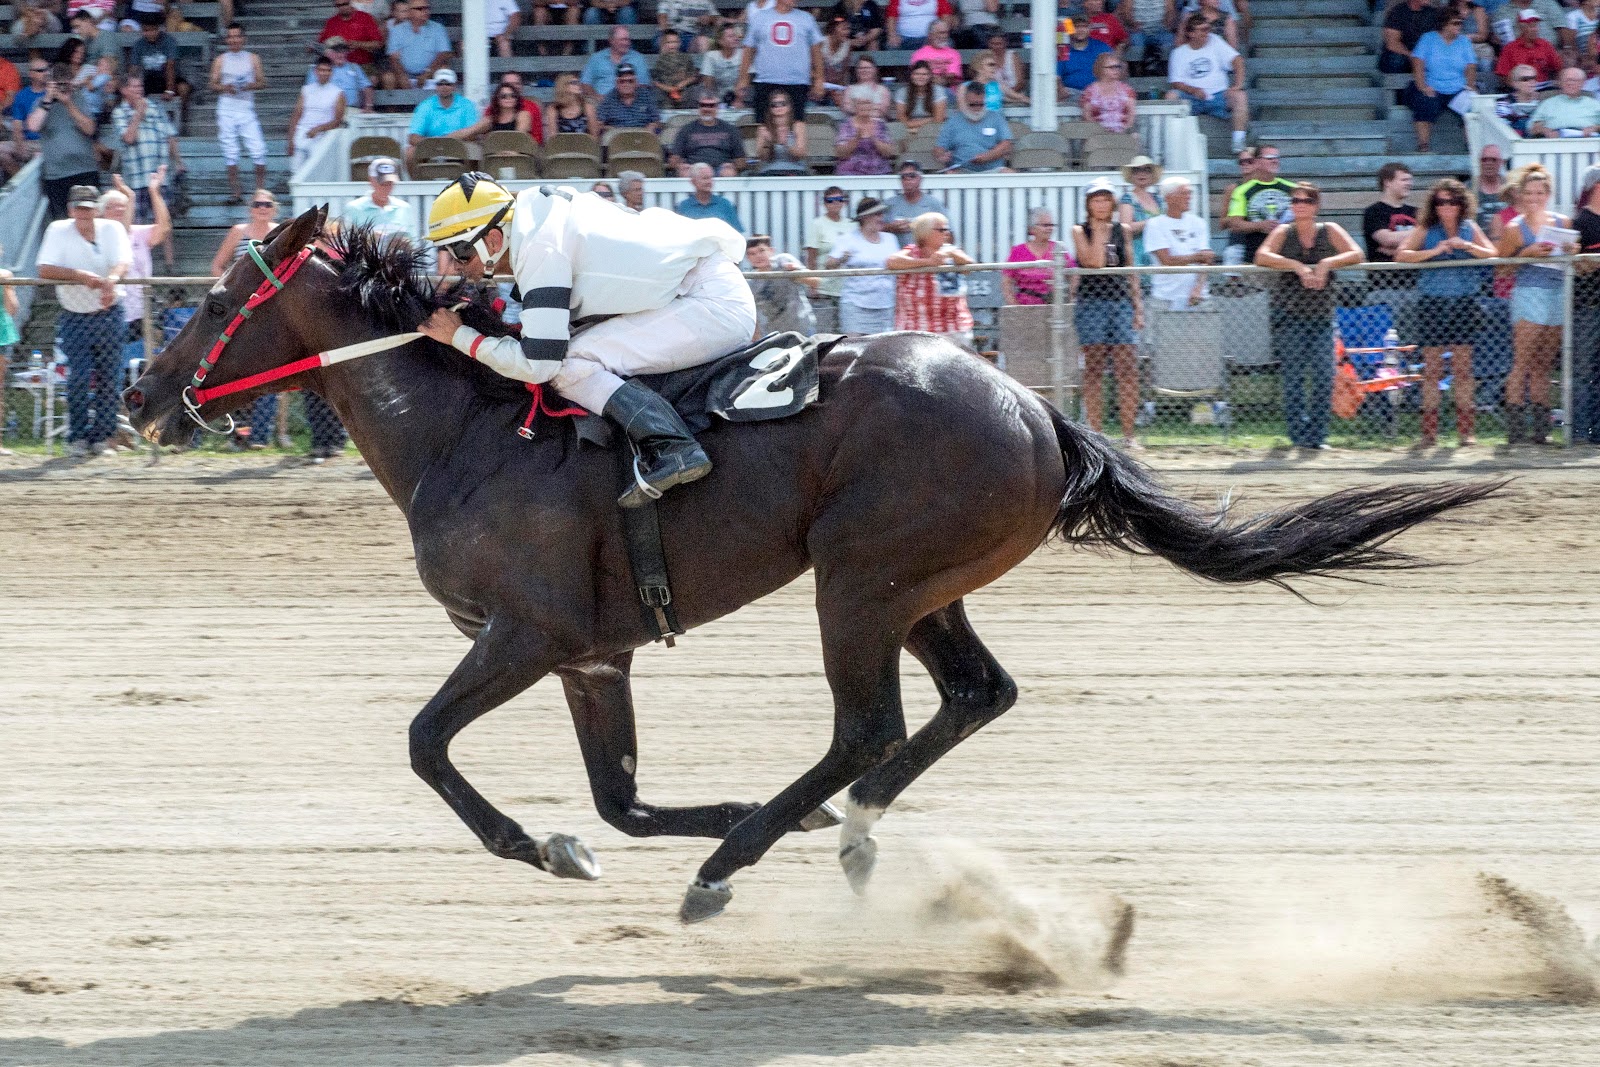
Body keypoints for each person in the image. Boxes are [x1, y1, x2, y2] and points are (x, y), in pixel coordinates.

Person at [417, 173, 756, 507]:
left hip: (710, 304)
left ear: (492, 240)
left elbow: (540, 365)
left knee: (569, 368)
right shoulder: (534, 211)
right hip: (702, 287)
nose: (457, 266)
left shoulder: (539, 248)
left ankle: (673, 446)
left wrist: (460, 337)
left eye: (461, 252)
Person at [1254, 182, 1364, 451]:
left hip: (1322, 316)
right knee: (1293, 377)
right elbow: (1261, 256)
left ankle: (1317, 436)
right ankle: (1298, 435)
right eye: (1296, 201)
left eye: (1307, 201)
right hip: (1290, 315)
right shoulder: (1284, 231)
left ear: (1316, 205)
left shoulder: (1330, 230)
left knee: (1325, 376)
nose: (1300, 205)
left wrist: (1327, 263)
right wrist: (1296, 266)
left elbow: (1357, 254)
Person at [1395, 178, 1495, 446]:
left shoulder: (1469, 228)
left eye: (1452, 201)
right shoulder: (1427, 228)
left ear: (1462, 204)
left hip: (1465, 301)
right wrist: (1435, 250)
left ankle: (1466, 431)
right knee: (1432, 370)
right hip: (1433, 301)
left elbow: (1492, 253)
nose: (1446, 207)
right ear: (1434, 205)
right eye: (1441, 202)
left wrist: (1468, 246)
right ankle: (1429, 433)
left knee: (1463, 369)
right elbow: (1402, 254)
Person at [36, 183, 131, 458]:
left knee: (109, 379)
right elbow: (44, 268)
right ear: (70, 209)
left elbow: (122, 261)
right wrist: (81, 276)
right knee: (77, 378)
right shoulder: (57, 231)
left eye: (89, 208)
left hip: (110, 313)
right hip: (75, 316)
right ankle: (77, 436)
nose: (84, 213)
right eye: (79, 208)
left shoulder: (112, 229)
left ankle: (103, 437)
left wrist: (110, 281)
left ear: (96, 210)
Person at [1494, 162, 1574, 445]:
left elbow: (1571, 256)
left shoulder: (1562, 223)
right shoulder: (1514, 228)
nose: (1534, 198)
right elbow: (1501, 269)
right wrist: (1526, 252)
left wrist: (1570, 250)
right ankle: (1515, 431)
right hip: (1529, 292)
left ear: (1547, 194)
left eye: (1539, 193)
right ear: (1521, 195)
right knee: (1523, 362)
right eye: (1529, 193)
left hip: (1557, 293)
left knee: (1543, 364)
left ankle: (1541, 431)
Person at [1072, 180, 1144, 448]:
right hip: (1092, 303)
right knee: (1094, 368)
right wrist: (1100, 232)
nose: (1102, 205)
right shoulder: (1080, 230)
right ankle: (1096, 434)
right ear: (1088, 204)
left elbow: (1130, 268)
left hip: (1120, 301)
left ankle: (1128, 435)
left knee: (1127, 367)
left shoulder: (1122, 230)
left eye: (1106, 199)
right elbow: (1093, 262)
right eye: (1096, 200)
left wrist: (1138, 306)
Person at [111, 72, 183, 272]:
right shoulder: (119, 112)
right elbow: (128, 138)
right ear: (124, 90)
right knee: (138, 225)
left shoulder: (157, 108)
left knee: (164, 221)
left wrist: (178, 162)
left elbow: (170, 136)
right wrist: (138, 114)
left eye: (140, 86)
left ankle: (170, 266)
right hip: (135, 177)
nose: (139, 90)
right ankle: (141, 267)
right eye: (134, 87)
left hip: (159, 177)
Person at [100, 168, 168, 356]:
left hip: (141, 310)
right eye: (113, 206)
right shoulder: (101, 234)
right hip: (112, 310)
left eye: (124, 205)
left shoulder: (138, 232)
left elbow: (164, 228)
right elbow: (120, 231)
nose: (120, 209)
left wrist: (154, 192)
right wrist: (130, 197)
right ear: (102, 212)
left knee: (144, 361)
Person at [886, 212, 975, 347]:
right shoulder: (911, 251)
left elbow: (969, 267)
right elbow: (892, 261)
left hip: (953, 327)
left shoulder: (951, 251)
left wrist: (952, 254)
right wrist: (927, 262)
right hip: (916, 328)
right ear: (925, 233)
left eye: (947, 229)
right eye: (941, 230)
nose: (946, 233)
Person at [1166, 13, 1248, 153]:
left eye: (1208, 29)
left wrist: (1237, 85)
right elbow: (1176, 82)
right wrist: (1194, 91)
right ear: (1191, 33)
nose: (1207, 32)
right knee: (1171, 96)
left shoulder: (1215, 40)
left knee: (1240, 96)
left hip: (1219, 96)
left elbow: (1237, 60)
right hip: (1192, 99)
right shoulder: (1178, 53)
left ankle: (1238, 143)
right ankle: (1175, 144)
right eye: (1203, 30)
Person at [28, 62, 100, 220]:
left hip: (84, 171)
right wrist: (48, 98)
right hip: (56, 175)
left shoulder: (79, 98)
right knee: (61, 223)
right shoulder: (40, 103)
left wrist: (68, 103)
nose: (63, 87)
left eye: (66, 83)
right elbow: (33, 126)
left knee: (89, 220)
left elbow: (90, 129)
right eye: (59, 84)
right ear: (50, 83)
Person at [737, 0, 825, 124]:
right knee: (763, 126)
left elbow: (816, 51)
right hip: (766, 81)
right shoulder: (759, 17)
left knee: (796, 127)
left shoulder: (807, 19)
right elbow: (748, 50)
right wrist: (743, 78)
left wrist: (819, 79)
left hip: (797, 82)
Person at [210, 25, 267, 205]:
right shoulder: (220, 60)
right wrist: (225, 88)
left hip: (246, 108)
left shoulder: (253, 58)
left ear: (243, 38)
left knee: (258, 149)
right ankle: (236, 192)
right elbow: (212, 84)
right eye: (230, 37)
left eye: (237, 36)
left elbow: (262, 82)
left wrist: (250, 85)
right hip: (226, 108)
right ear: (226, 39)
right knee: (230, 151)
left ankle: (260, 192)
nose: (234, 40)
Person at [825, 196, 897, 333]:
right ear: (865, 217)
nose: (882, 218)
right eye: (877, 214)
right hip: (855, 304)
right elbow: (829, 264)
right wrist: (842, 259)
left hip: (886, 304)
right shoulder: (847, 239)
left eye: (882, 213)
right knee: (854, 347)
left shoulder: (891, 239)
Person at [1142, 174, 1215, 310]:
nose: (1189, 197)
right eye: (1183, 193)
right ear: (1169, 198)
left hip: (1198, 297)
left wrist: (1198, 289)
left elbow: (1207, 259)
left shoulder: (1198, 223)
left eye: (1189, 193)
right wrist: (1197, 257)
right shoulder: (1155, 224)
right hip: (1166, 298)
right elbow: (1167, 260)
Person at [1408, 8, 1475, 152]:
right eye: (1455, 23)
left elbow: (1471, 65)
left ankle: (1471, 147)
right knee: (1424, 102)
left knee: (1472, 107)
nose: (1459, 26)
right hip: (1433, 86)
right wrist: (1423, 86)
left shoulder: (1464, 41)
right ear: (1444, 24)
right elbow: (1417, 62)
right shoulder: (1428, 38)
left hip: (1458, 87)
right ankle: (1423, 145)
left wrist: (1469, 86)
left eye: (1461, 23)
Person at [1225, 142, 1293, 264]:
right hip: (1256, 257)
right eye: (1269, 158)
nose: (1275, 161)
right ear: (1257, 162)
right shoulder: (1242, 191)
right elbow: (1235, 224)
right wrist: (1261, 225)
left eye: (1277, 158)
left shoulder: (1293, 188)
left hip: (1288, 257)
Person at [1571, 162, 1600, 445]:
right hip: (1587, 307)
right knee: (1582, 372)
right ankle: (1579, 430)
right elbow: (1575, 266)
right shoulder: (1580, 223)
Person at [746, 233, 817, 335]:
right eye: (752, 254)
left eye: (761, 250)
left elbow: (815, 282)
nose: (758, 256)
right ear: (748, 258)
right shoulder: (751, 283)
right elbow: (753, 316)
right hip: (775, 335)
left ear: (771, 250)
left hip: (803, 327)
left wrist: (796, 273)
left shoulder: (784, 261)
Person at [934, 81, 1013, 172]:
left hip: (993, 169)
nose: (977, 108)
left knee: (1009, 173)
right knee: (949, 174)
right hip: (962, 170)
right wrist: (942, 155)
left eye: (981, 104)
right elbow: (939, 147)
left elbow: (1006, 145)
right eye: (973, 104)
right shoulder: (953, 121)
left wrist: (987, 156)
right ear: (965, 101)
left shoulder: (996, 118)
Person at [405, 68, 475, 165]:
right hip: (431, 147)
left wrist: (447, 143)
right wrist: (435, 145)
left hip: (459, 147)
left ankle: (470, 180)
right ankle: (418, 180)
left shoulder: (467, 105)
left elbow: (472, 135)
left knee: (474, 149)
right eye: (440, 84)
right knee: (410, 152)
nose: (444, 87)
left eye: (448, 84)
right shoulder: (425, 105)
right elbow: (413, 137)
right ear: (435, 86)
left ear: (454, 86)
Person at [288, 57, 346, 173]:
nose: (324, 73)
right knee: (295, 173)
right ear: (315, 71)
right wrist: (290, 140)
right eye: (321, 70)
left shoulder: (338, 93)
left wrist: (319, 129)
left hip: (322, 138)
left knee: (315, 172)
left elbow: (337, 121)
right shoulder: (306, 90)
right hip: (301, 134)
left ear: (331, 72)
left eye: (327, 70)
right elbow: (296, 115)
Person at [1362, 162, 1417, 282]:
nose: (1409, 184)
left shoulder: (1416, 212)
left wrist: (1396, 247)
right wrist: (1420, 233)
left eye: (1410, 180)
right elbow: (1388, 239)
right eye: (1403, 180)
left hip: (1415, 282)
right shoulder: (1373, 211)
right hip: (1383, 283)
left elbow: (1424, 243)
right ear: (1387, 182)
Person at [130, 20, 190, 126]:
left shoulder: (169, 41)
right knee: (135, 90)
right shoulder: (138, 45)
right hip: (150, 79)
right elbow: (134, 68)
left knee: (183, 88)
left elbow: (170, 66)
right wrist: (131, 86)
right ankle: (140, 122)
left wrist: (170, 89)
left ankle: (181, 119)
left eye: (153, 30)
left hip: (169, 78)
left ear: (158, 29)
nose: (149, 33)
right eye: (146, 31)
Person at [1002, 207, 1067, 306]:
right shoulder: (1018, 251)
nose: (1050, 228)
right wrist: (1015, 306)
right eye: (1045, 225)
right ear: (1032, 228)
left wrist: (1068, 298)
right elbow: (1006, 282)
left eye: (1051, 225)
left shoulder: (1059, 249)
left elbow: (1073, 274)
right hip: (1025, 307)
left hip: (1054, 306)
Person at [805, 186, 854, 313]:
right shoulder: (817, 224)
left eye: (839, 199)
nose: (835, 203)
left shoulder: (852, 224)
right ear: (824, 203)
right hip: (825, 286)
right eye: (830, 200)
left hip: (848, 286)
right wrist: (812, 285)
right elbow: (811, 257)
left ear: (844, 202)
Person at [670, 92, 744, 175]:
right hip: (694, 169)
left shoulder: (730, 129)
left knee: (729, 172)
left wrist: (732, 165)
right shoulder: (686, 129)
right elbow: (674, 160)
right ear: (698, 107)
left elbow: (741, 161)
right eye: (703, 105)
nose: (707, 109)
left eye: (711, 106)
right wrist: (680, 165)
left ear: (717, 108)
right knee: (685, 172)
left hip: (721, 168)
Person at [384, 0, 452, 89]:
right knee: (388, 78)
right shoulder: (397, 30)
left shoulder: (438, 28)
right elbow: (393, 58)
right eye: (420, 9)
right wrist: (402, 75)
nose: (425, 11)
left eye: (427, 8)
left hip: (431, 72)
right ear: (410, 12)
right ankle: (397, 103)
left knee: (445, 70)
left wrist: (428, 73)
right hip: (405, 74)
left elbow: (443, 54)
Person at [340, 157, 418, 234]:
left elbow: (413, 241)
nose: (386, 188)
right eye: (382, 184)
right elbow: (346, 242)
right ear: (371, 181)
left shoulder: (404, 208)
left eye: (390, 184)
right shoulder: (354, 208)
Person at [0, 60, 48, 178]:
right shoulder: (22, 95)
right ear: (31, 74)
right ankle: (21, 180)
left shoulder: (53, 93)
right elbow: (17, 125)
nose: (46, 73)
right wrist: (19, 145)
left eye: (47, 69)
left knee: (39, 156)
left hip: (48, 142)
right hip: (28, 142)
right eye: (41, 70)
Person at [884, 160, 945, 247]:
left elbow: (949, 236)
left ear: (920, 179)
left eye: (912, 176)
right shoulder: (889, 204)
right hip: (898, 256)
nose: (908, 179)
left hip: (927, 256)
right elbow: (876, 231)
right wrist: (891, 228)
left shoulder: (933, 204)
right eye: (903, 176)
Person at [1494, 9, 1561, 86]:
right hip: (1520, 91)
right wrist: (1519, 87)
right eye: (1531, 26)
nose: (1535, 29)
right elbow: (1503, 76)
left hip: (1543, 89)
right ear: (1521, 28)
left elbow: (1558, 68)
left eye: (1536, 26)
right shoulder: (1510, 48)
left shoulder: (1545, 45)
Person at [1528, 66, 1600, 136]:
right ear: (1560, 83)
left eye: (1574, 80)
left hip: (1587, 141)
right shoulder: (1547, 103)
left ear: (1583, 83)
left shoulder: (1594, 104)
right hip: (1555, 141)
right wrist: (1544, 130)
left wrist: (1595, 128)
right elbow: (1531, 128)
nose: (1570, 83)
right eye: (1567, 80)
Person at [581, 25, 650, 98]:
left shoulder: (637, 58)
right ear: (611, 41)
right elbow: (585, 84)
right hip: (599, 103)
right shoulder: (596, 58)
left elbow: (644, 85)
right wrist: (597, 97)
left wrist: (624, 98)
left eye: (628, 40)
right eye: (622, 40)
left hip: (629, 102)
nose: (626, 43)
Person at [595, 63, 662, 137]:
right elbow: (600, 123)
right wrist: (612, 130)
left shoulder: (647, 95)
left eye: (630, 81)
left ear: (636, 82)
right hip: (618, 139)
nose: (626, 84)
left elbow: (656, 120)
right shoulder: (608, 99)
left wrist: (650, 128)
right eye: (622, 81)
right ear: (616, 83)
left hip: (644, 137)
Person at [1118, 155, 1162, 266]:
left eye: (1147, 170)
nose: (1142, 174)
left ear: (1152, 175)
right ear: (1132, 175)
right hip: (1138, 254)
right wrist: (1150, 222)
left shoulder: (1158, 199)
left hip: (1159, 252)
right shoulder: (1128, 199)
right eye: (1137, 170)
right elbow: (1125, 227)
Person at [676, 161, 743, 231]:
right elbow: (679, 234)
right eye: (705, 178)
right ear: (693, 182)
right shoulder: (684, 206)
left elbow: (737, 233)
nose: (709, 182)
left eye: (711, 178)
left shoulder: (725, 204)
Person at [834, 99, 895, 175]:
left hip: (879, 170)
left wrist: (874, 138)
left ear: (872, 107)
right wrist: (856, 138)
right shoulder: (846, 125)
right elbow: (841, 154)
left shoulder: (880, 124)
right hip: (850, 171)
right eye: (861, 104)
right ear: (855, 107)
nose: (864, 107)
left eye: (867, 104)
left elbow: (888, 153)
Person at [1381, 0, 1441, 75]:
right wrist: (1414, 56)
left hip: (1423, 55)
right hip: (1403, 54)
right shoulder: (1397, 12)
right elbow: (1392, 44)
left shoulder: (1433, 13)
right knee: (1396, 58)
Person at [1082, 52, 1137, 133]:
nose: (1116, 70)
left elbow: (1131, 115)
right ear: (1100, 69)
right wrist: (1101, 132)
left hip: (1123, 135)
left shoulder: (1127, 90)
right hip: (1097, 136)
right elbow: (1087, 116)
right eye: (1111, 67)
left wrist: (1124, 131)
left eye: (1117, 67)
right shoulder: (1089, 91)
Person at [320, 0, 384, 67]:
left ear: (351, 3)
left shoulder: (365, 17)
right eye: (339, 5)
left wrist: (358, 44)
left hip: (363, 65)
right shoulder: (331, 22)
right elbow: (322, 44)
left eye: (345, 4)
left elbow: (378, 44)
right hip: (337, 67)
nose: (342, 7)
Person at [1057, 18, 1112, 95]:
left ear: (1090, 29)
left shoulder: (1101, 48)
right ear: (1070, 30)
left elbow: (1113, 70)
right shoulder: (1063, 50)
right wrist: (1061, 90)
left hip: (1098, 93)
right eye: (1076, 27)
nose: (1080, 30)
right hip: (1070, 93)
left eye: (1084, 26)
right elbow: (1057, 76)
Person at [322, 41, 376, 113]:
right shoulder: (320, 69)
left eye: (343, 51)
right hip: (328, 111)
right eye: (337, 52)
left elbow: (367, 87)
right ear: (328, 53)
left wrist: (368, 106)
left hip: (352, 109)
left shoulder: (354, 67)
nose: (341, 55)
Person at [652, 28, 700, 107]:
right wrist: (669, 88)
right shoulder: (660, 60)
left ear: (680, 43)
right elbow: (656, 82)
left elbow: (693, 76)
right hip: (666, 92)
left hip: (684, 91)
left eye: (675, 42)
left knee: (694, 92)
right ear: (664, 44)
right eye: (669, 42)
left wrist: (683, 83)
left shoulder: (686, 57)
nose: (673, 45)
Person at [896, 59, 946, 133]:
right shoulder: (902, 92)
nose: (920, 77)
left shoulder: (938, 90)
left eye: (924, 74)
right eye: (917, 74)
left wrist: (914, 123)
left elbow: (938, 119)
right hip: (909, 131)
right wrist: (929, 119)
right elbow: (901, 119)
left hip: (933, 129)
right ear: (911, 76)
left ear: (930, 76)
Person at [700, 23, 744, 103]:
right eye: (730, 36)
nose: (735, 38)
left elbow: (746, 79)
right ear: (721, 41)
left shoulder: (744, 54)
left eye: (735, 35)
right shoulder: (711, 56)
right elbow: (708, 83)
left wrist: (739, 99)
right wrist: (713, 100)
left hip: (741, 96)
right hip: (717, 96)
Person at [496, 72, 544, 143]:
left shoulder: (531, 107)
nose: (513, 86)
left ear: (522, 86)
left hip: (525, 149)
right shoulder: (492, 108)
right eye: (508, 84)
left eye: (516, 83)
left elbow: (537, 137)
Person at [1126, 0, 1175, 70]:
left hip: (1160, 29)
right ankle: (1138, 72)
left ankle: (1165, 71)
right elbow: (1127, 11)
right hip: (1139, 30)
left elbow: (1171, 10)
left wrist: (1167, 22)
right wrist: (1132, 23)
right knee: (1135, 39)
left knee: (1170, 39)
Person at [909, 18, 962, 82]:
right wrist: (938, 78)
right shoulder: (919, 54)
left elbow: (952, 77)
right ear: (930, 35)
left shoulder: (954, 53)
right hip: (927, 89)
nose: (945, 36)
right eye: (941, 33)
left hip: (948, 89)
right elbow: (918, 77)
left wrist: (933, 77)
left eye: (946, 33)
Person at [546, 71, 598, 138]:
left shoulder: (587, 107)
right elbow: (552, 137)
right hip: (561, 146)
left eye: (578, 82)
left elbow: (594, 136)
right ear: (564, 86)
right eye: (574, 83)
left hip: (584, 146)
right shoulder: (553, 109)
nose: (579, 85)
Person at [1494, 62, 1541, 135]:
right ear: (1515, 83)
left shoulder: (1542, 101)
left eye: (1533, 78)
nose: (1531, 82)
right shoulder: (1503, 102)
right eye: (1525, 79)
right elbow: (1504, 127)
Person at [885, 0, 952, 49]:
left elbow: (946, 16)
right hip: (904, 38)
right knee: (891, 46)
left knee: (948, 44)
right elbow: (891, 17)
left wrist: (940, 34)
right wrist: (892, 35)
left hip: (931, 37)